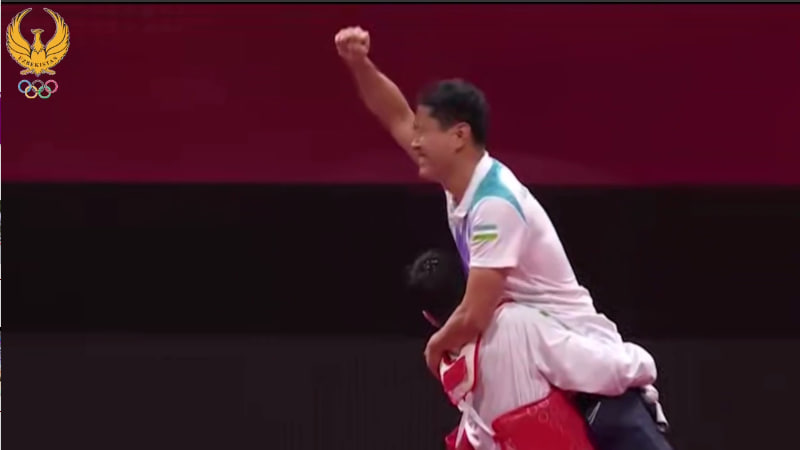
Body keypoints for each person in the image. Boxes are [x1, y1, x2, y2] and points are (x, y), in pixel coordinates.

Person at [335, 26, 670, 450]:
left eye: (424, 132)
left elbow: (475, 313)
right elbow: (394, 115)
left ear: (458, 136)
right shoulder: (461, 184)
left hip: (580, 361)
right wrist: (359, 64)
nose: (414, 141)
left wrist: (436, 347)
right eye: (415, 132)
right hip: (536, 357)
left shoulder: (494, 204)